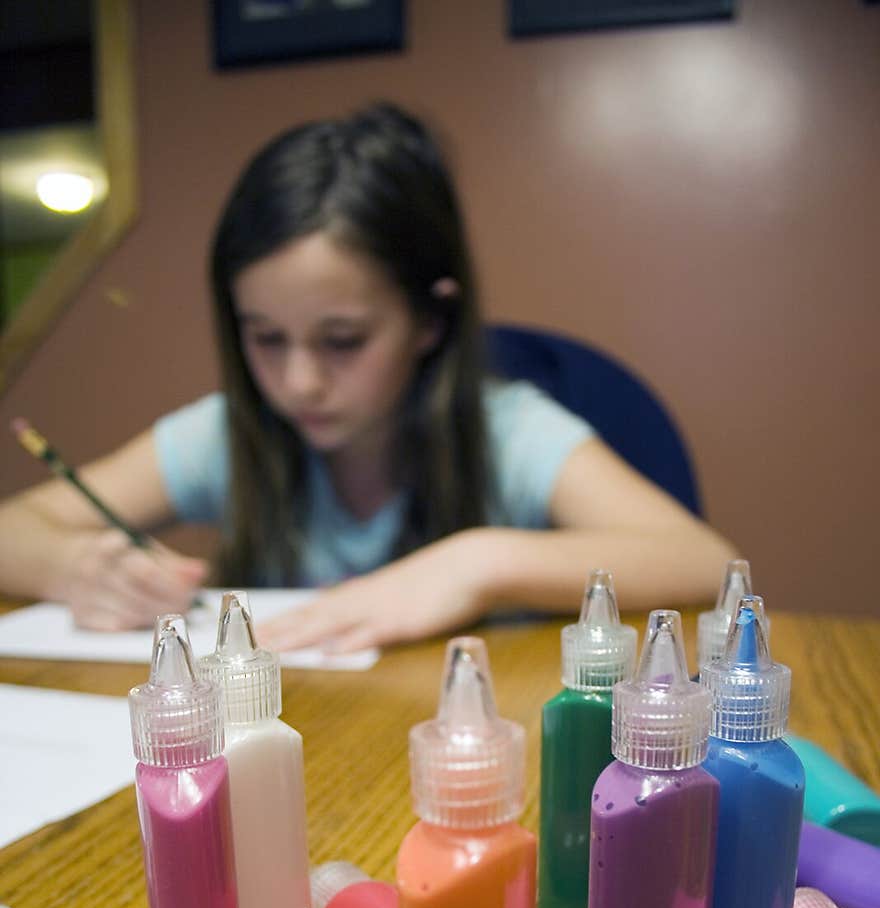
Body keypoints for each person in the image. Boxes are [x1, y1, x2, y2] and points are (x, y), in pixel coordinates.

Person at [0, 103, 737, 653]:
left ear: (430, 320)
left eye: (343, 341)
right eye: (265, 338)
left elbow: (708, 563)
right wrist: (74, 568)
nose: (299, 382)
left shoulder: (508, 429)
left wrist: (479, 563)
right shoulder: (230, 433)